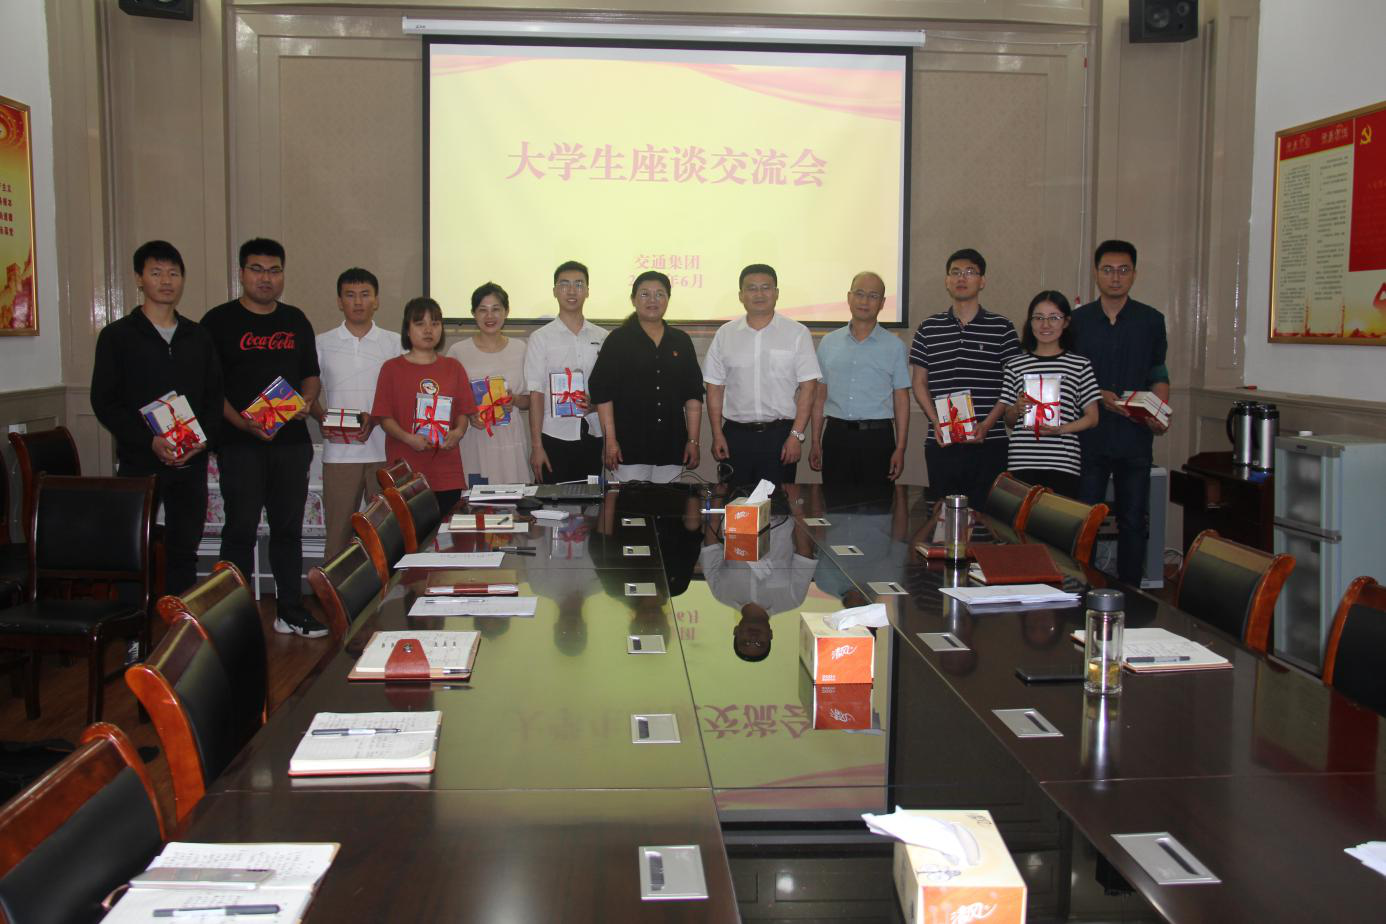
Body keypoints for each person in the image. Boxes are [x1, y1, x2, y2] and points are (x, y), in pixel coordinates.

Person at [201, 238, 323, 638]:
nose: (265, 278)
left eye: (274, 271)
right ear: (241, 273)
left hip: (291, 444)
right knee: (240, 530)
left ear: (283, 275)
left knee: (288, 531)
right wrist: (241, 423)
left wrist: (308, 400)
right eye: (257, 269)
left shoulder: (295, 320)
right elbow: (210, 389)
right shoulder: (217, 322)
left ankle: (290, 610)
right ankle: (231, 617)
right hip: (240, 445)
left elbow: (310, 374)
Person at [90, 240, 222, 598]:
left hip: (190, 462)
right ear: (139, 278)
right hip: (141, 461)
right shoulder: (118, 336)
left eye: (174, 273)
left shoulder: (198, 336)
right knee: (133, 549)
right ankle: (132, 624)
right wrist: (148, 440)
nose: (166, 281)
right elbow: (105, 402)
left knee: (184, 550)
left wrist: (202, 442)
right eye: (156, 272)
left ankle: (180, 624)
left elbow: (213, 398)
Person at [1071, 240, 1170, 585]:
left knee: (1133, 519)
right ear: (1096, 274)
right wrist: (1098, 394)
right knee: (1086, 518)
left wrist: (1159, 414)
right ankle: (1083, 589)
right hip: (1090, 435)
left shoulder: (1151, 320)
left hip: (1134, 435)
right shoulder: (1079, 321)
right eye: (1108, 270)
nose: (1115, 277)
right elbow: (1069, 375)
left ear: (1134, 274)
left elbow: (1158, 372)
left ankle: (1131, 594)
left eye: (1123, 270)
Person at [908, 248, 1019, 503]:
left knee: (987, 517)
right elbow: (919, 382)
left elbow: (1012, 384)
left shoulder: (1002, 327)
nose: (961, 278)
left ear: (982, 281)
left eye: (970, 272)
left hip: (990, 441)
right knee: (942, 515)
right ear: (947, 281)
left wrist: (986, 425)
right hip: (942, 441)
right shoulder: (928, 327)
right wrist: (936, 422)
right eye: (955, 272)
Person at [311, 267, 400, 561]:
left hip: (384, 451)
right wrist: (321, 417)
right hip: (339, 454)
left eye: (365, 294)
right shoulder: (322, 342)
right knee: (338, 538)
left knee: (387, 536)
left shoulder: (394, 342)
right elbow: (308, 391)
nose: (358, 302)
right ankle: (335, 591)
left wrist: (375, 419)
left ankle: (387, 590)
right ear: (340, 301)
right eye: (350, 295)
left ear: (376, 300)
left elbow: (401, 395)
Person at [704, 264, 821, 487]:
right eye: (751, 288)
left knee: (777, 504)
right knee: (736, 502)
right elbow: (714, 387)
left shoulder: (797, 333)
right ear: (741, 295)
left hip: (780, 437)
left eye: (765, 287)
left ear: (776, 293)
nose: (759, 294)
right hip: (735, 436)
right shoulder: (725, 334)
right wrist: (717, 434)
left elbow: (809, 387)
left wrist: (796, 436)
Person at [588, 270, 704, 483]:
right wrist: (610, 441)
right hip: (628, 447)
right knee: (630, 504)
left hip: (671, 445)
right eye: (645, 294)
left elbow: (693, 395)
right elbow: (603, 394)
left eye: (660, 294)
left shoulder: (681, 341)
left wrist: (693, 441)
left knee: (669, 503)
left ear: (668, 299)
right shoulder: (617, 340)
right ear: (633, 299)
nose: (653, 300)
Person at [371, 297, 477, 514]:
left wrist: (458, 432)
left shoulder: (453, 367)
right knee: (409, 534)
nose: (428, 330)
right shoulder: (391, 369)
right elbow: (384, 417)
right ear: (407, 330)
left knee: (446, 532)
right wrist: (408, 438)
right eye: (420, 324)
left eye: (435, 323)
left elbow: (463, 412)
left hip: (446, 471)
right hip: (405, 472)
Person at [809, 271, 910, 485]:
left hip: (878, 439)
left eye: (873, 296)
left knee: (878, 503)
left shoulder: (895, 347)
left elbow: (901, 400)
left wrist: (900, 448)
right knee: (834, 502)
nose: (865, 301)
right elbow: (819, 397)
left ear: (882, 303)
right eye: (859, 294)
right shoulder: (828, 343)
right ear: (849, 297)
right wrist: (815, 441)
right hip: (836, 436)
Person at [999, 291, 1100, 499]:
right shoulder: (1015, 365)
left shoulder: (1080, 365)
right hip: (1022, 461)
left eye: (1054, 318)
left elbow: (1092, 418)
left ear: (1066, 322)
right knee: (1022, 519)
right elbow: (1008, 420)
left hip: (1064, 462)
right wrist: (1017, 408)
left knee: (1057, 520)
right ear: (1030, 322)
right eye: (1038, 318)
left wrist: (1060, 429)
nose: (1045, 325)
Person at [524, 261, 608, 484]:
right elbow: (536, 394)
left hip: (593, 432)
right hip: (553, 435)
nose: (572, 291)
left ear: (587, 291)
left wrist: (593, 405)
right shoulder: (540, 338)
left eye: (579, 284)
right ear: (554, 291)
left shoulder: (602, 337)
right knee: (554, 501)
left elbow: (608, 391)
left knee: (591, 500)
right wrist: (537, 446)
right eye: (564, 284)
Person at [446, 282, 531, 485]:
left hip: (509, 437)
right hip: (475, 436)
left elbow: (530, 400)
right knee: (477, 499)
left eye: (496, 309)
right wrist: (469, 414)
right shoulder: (458, 351)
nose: (489, 316)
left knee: (513, 497)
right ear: (473, 314)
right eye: (483, 310)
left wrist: (514, 400)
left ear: (506, 312)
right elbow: (449, 401)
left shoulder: (521, 348)